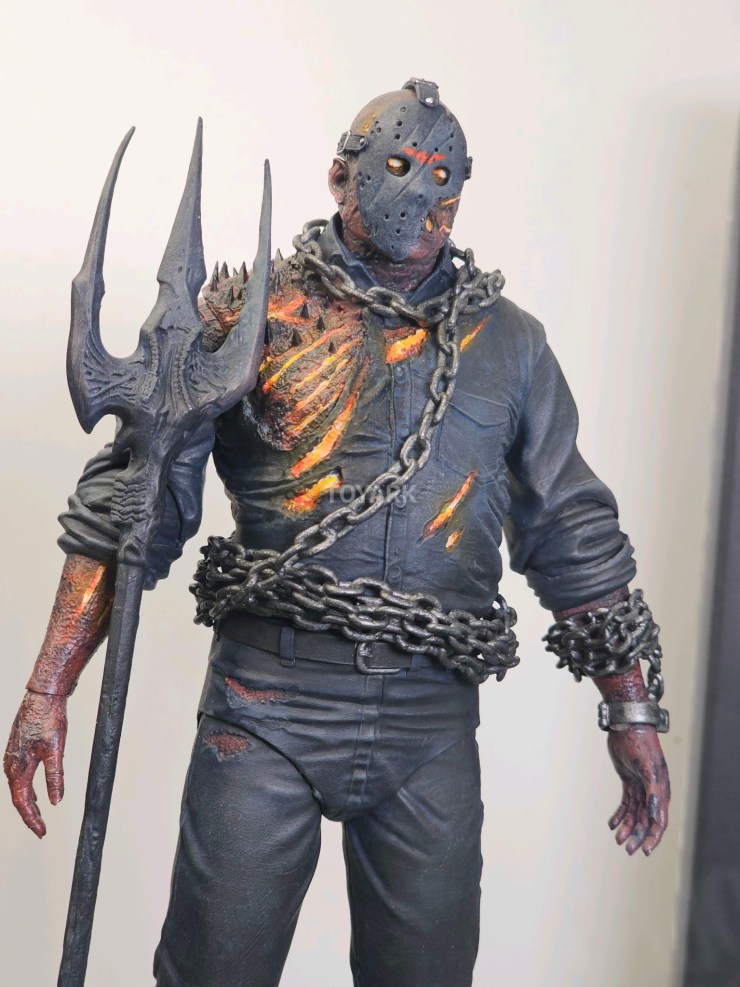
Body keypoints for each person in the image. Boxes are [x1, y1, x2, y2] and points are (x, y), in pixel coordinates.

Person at [4, 79, 671, 987]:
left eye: (443, 177)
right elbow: (132, 508)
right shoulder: (253, 318)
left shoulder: (509, 345)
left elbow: (573, 531)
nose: (422, 195)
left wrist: (630, 709)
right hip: (266, 707)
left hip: (430, 725)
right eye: (397, 165)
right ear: (339, 175)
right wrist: (48, 685)